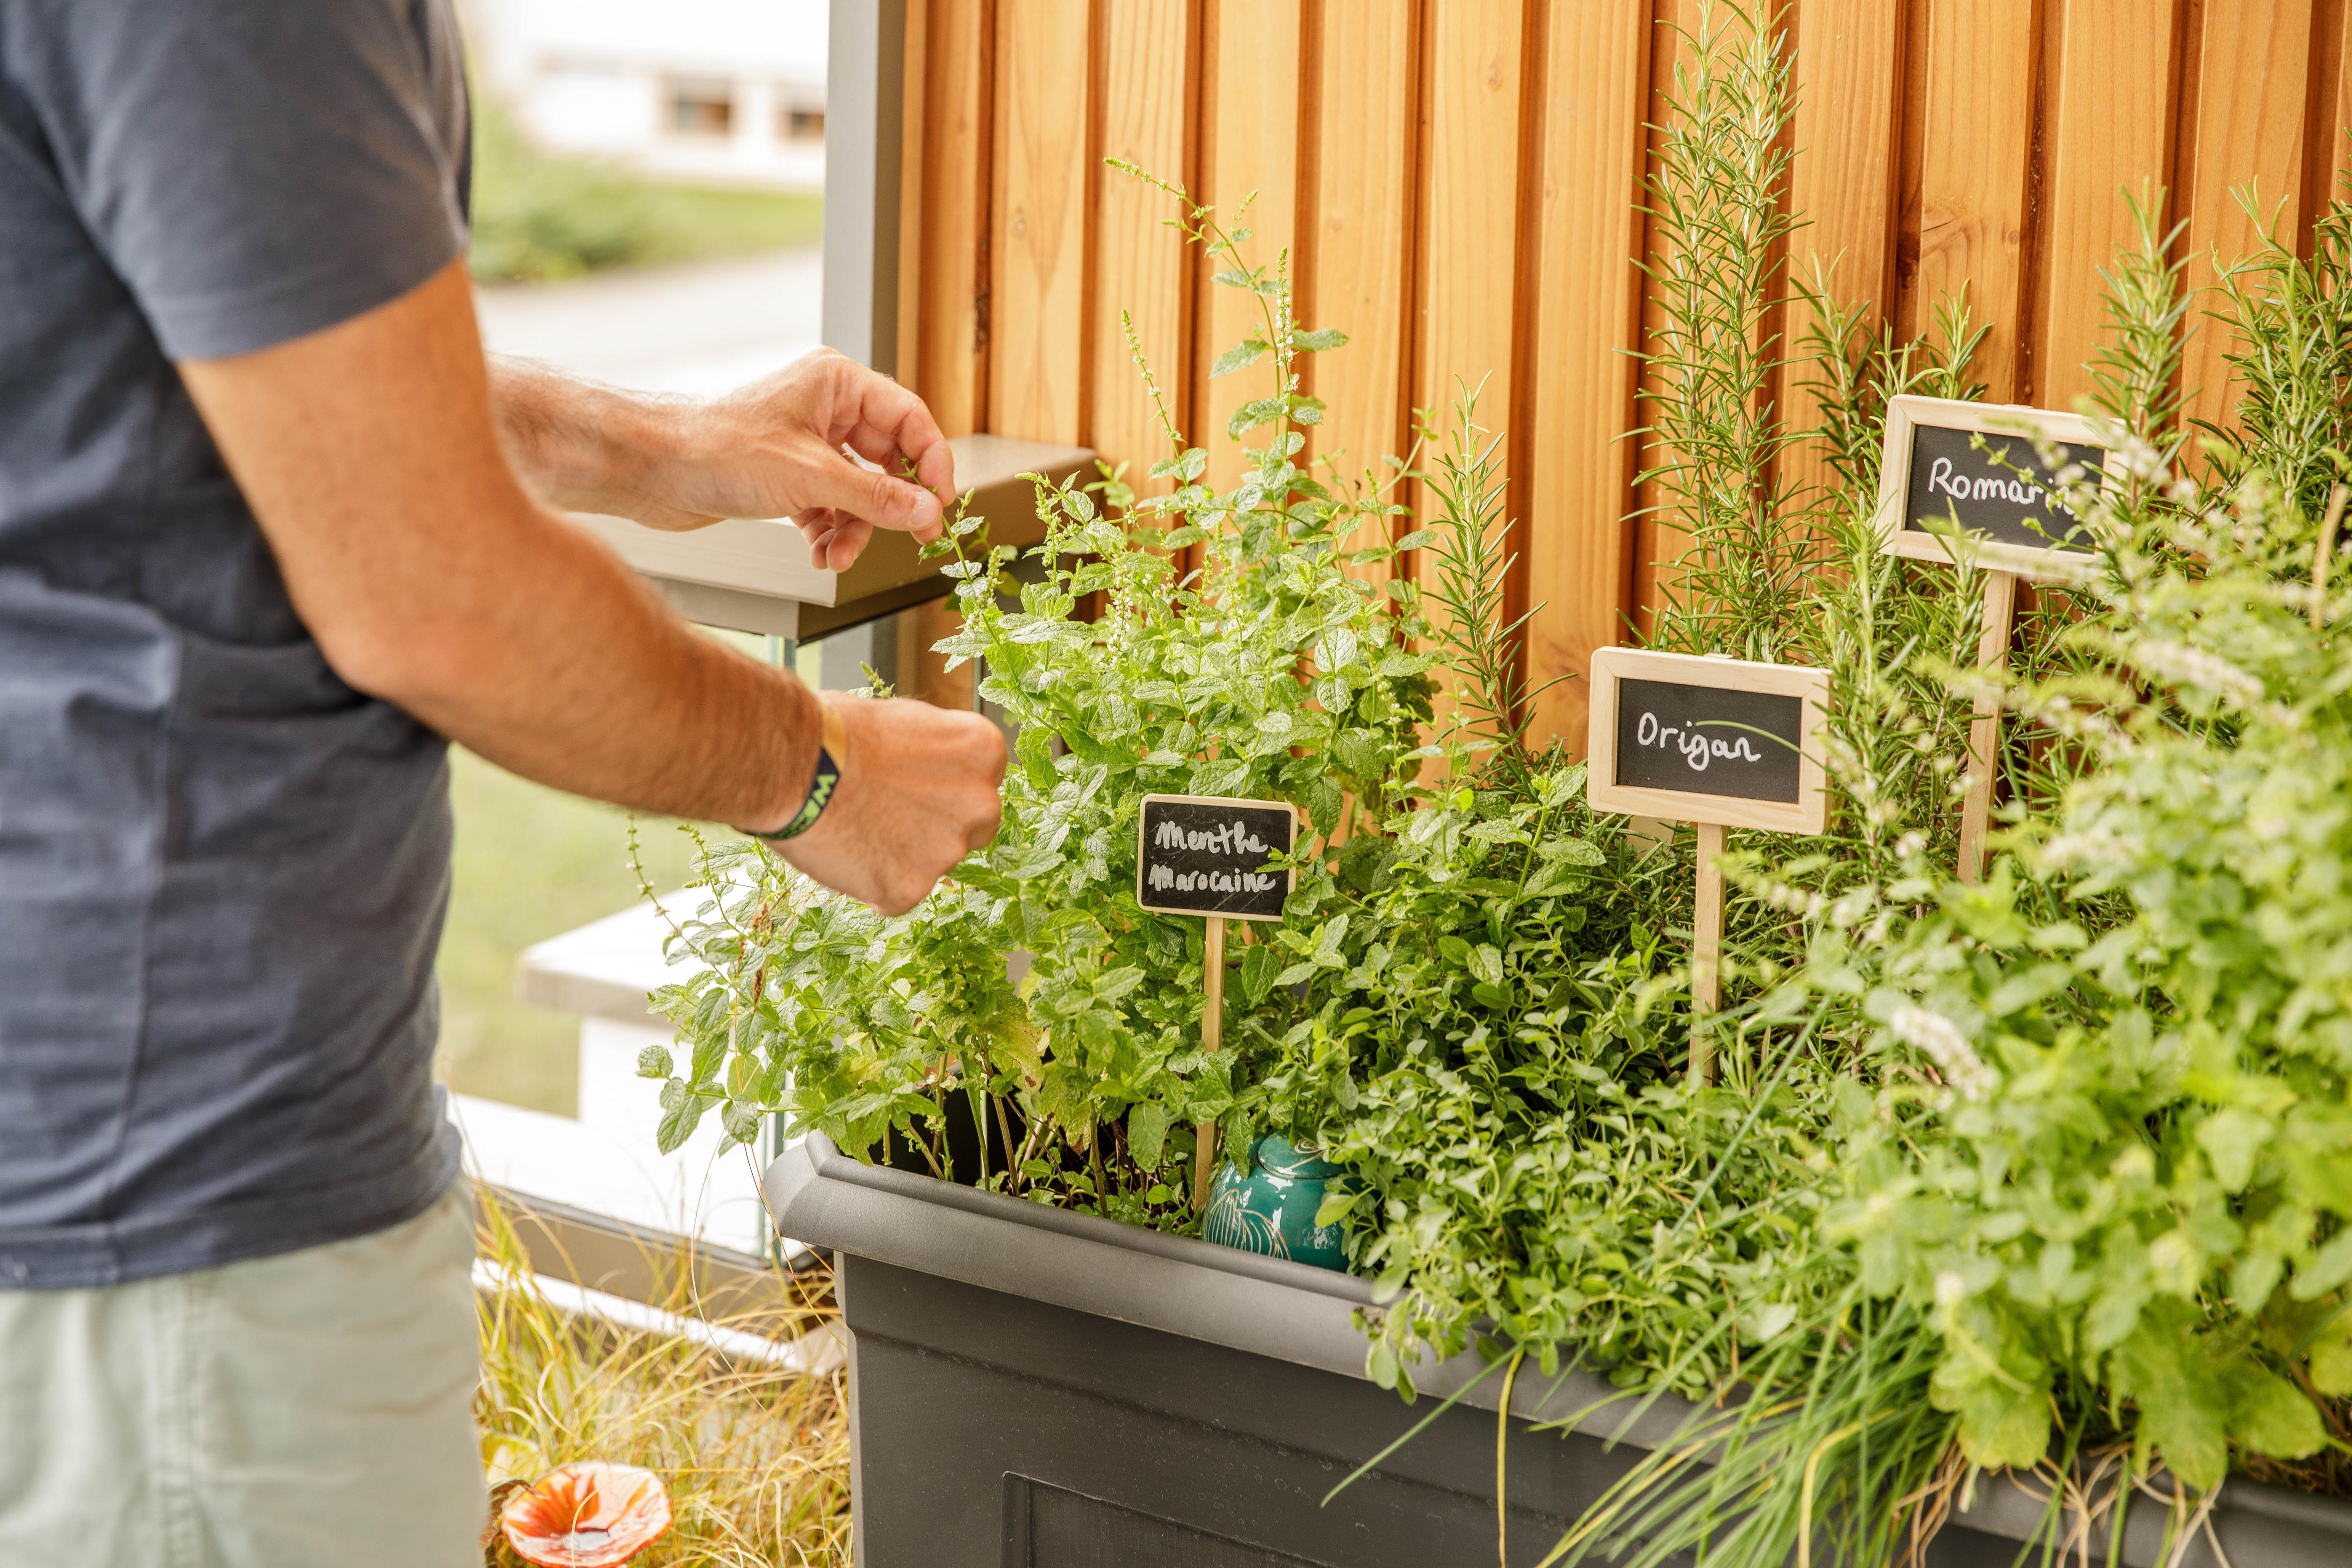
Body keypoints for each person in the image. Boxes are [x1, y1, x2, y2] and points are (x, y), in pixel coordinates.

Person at [0, 3, 1006, 1564]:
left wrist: (665, 442)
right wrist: (825, 773)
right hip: (171, 1229)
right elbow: (430, 589)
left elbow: (252, 373)